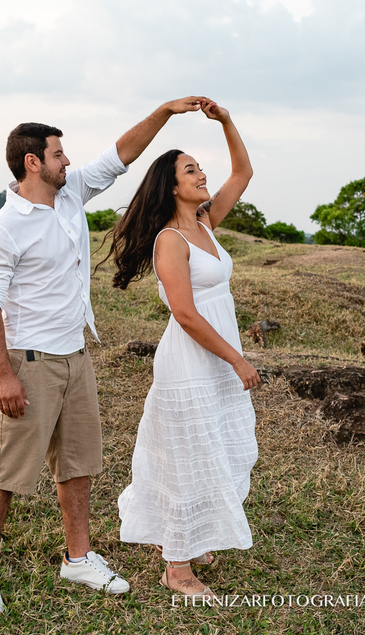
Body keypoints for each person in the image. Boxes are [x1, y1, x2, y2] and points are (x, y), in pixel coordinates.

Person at [0, 97, 204, 613]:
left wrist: (166, 112)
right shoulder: (5, 227)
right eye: (57, 154)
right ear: (33, 162)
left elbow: (121, 154)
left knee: (77, 464)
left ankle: (78, 559)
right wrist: (3, 374)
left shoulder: (70, 193)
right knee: (5, 472)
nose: (67, 161)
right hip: (28, 363)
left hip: (75, 356)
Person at [104, 98, 260, 600]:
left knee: (214, 444)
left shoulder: (206, 223)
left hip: (216, 355)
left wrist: (227, 122)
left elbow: (244, 170)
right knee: (187, 453)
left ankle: (192, 536)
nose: (202, 174)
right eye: (191, 170)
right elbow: (185, 313)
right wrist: (237, 358)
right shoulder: (171, 238)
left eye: (199, 167)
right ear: (172, 186)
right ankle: (177, 567)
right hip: (192, 359)